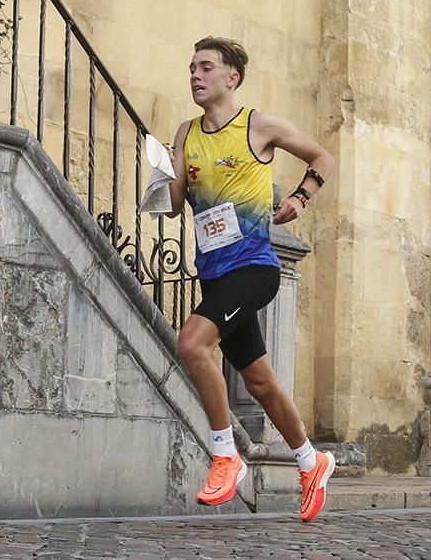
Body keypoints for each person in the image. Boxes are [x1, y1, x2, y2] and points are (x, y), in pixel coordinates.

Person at [167, 36, 336, 522]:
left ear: (231, 78)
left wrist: (300, 198)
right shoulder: (187, 133)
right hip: (214, 274)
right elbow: (175, 203)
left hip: (255, 268)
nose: (195, 76)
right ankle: (311, 460)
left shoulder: (258, 126)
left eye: (205, 67)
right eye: (192, 67)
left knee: (193, 344)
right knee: (260, 382)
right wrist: (165, 171)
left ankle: (225, 454)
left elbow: (321, 158)